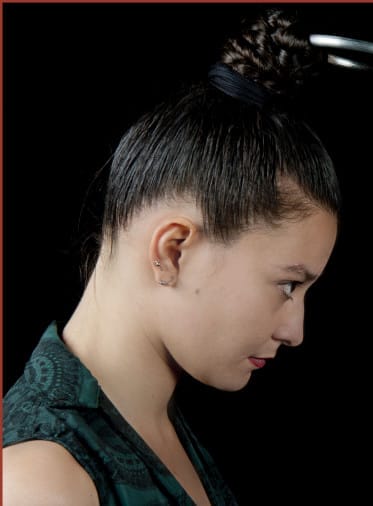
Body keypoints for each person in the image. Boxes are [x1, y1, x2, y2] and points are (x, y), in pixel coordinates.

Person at [2, 9, 340, 505]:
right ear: (174, 250)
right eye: (288, 286)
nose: (295, 331)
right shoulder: (41, 478)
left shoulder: (155, 426)